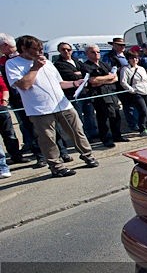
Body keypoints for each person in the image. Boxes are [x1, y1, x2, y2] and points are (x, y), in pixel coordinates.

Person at [6, 36, 99, 177]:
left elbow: (59, 83)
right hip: (40, 109)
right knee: (48, 138)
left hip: (62, 104)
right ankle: (56, 166)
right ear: (24, 49)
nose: (40, 52)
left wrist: (75, 83)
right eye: (35, 49)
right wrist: (35, 67)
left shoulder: (48, 63)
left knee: (77, 130)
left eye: (41, 49)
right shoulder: (13, 64)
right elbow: (24, 85)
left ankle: (88, 155)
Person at [82, 44, 128, 147]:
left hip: (111, 93)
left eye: (98, 52)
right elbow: (92, 81)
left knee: (116, 115)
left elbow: (115, 78)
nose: (96, 54)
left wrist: (103, 79)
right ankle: (106, 139)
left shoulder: (104, 64)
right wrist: (108, 78)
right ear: (87, 54)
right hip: (99, 95)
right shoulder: (86, 66)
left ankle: (117, 135)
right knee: (104, 118)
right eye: (93, 52)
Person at [53, 41, 99, 140]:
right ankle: (83, 136)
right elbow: (68, 76)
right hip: (73, 94)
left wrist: (79, 73)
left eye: (68, 49)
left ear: (72, 51)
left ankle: (93, 133)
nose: (66, 51)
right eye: (63, 50)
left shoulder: (77, 60)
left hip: (85, 92)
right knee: (78, 117)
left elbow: (87, 72)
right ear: (59, 51)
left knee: (90, 114)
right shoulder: (58, 64)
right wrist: (79, 74)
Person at [119, 49, 147, 136]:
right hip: (137, 93)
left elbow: (146, 79)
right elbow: (123, 82)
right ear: (128, 59)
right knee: (143, 110)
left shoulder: (141, 68)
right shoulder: (125, 69)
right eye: (132, 58)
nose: (135, 60)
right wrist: (131, 90)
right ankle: (142, 129)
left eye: (136, 58)